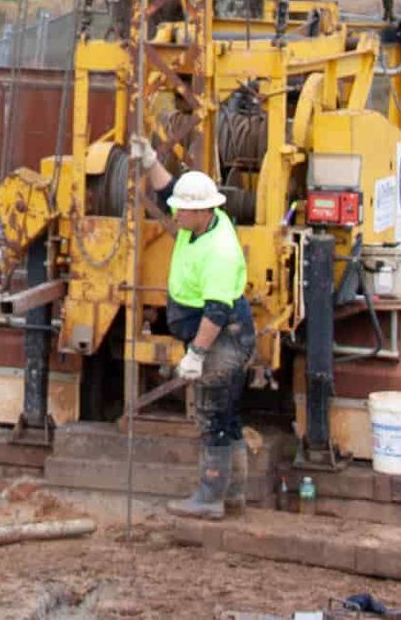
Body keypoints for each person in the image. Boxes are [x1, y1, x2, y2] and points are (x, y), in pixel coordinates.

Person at [133, 140, 256, 521]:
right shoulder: (201, 222)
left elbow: (216, 311)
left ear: (202, 211)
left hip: (222, 338)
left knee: (212, 417)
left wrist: (197, 354)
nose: (175, 214)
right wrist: (152, 161)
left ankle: (210, 496)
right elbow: (171, 189)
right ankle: (232, 494)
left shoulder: (218, 250)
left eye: (182, 211)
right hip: (226, 333)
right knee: (229, 417)